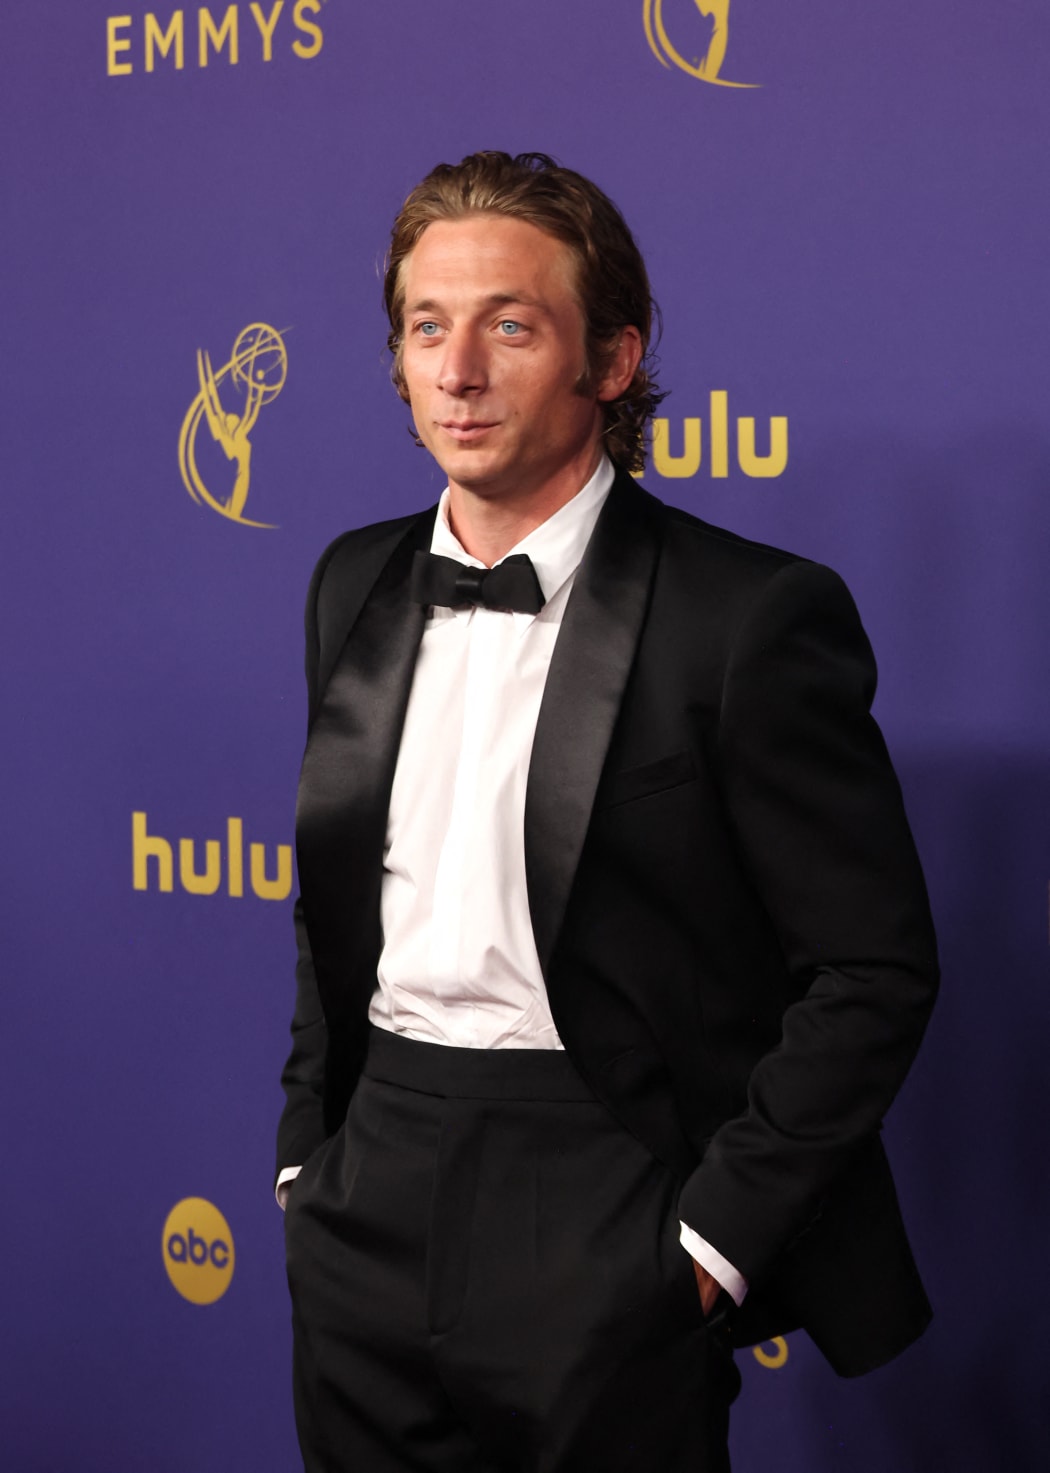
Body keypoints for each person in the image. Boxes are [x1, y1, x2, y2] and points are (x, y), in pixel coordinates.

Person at [275, 151, 938, 1473]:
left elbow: (872, 966)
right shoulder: (351, 579)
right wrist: (309, 1158)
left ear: (614, 357)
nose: (456, 371)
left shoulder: (744, 617)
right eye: (426, 326)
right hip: (372, 1182)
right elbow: (339, 902)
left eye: (508, 325)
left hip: (601, 1183)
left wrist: (705, 1247)